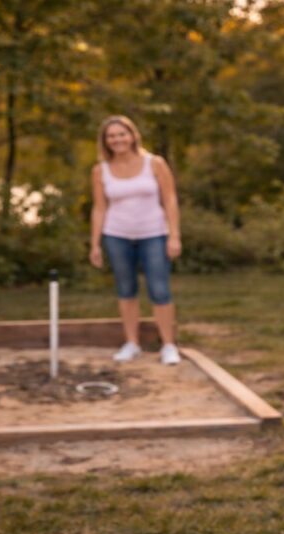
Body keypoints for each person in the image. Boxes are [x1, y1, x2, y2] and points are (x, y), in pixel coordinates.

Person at [89, 115, 182, 365]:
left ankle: (168, 345)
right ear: (105, 142)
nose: (117, 140)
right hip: (116, 235)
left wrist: (174, 235)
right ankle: (132, 343)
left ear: (132, 136)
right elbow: (99, 208)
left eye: (122, 134)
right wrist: (95, 244)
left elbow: (170, 199)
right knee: (126, 289)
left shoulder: (155, 163)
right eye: (111, 136)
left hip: (153, 233)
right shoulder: (100, 171)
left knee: (159, 289)